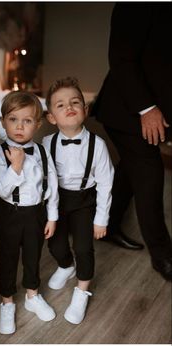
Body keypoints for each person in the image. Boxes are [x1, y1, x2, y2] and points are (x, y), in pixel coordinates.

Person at [90, 3, 172, 280]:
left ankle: (109, 225)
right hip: (126, 109)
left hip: (154, 110)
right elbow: (122, 59)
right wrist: (147, 108)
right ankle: (163, 255)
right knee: (149, 172)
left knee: (131, 168)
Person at [42, 77, 114, 324]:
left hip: (84, 200)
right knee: (55, 245)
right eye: (60, 105)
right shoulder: (46, 144)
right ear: (51, 117)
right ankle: (65, 266)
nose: (69, 106)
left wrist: (101, 218)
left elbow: (106, 183)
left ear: (85, 109)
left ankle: (82, 290)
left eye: (75, 102)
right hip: (57, 200)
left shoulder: (98, 145)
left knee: (83, 248)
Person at [0, 91, 59, 334]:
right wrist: (16, 167)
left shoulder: (42, 152)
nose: (20, 126)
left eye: (27, 120)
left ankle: (32, 295)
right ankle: (7, 301)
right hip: (10, 213)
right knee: (8, 257)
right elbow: (0, 189)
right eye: (13, 119)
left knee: (33, 255)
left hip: (36, 214)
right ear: (3, 121)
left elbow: (51, 187)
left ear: (37, 124)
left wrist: (52, 216)